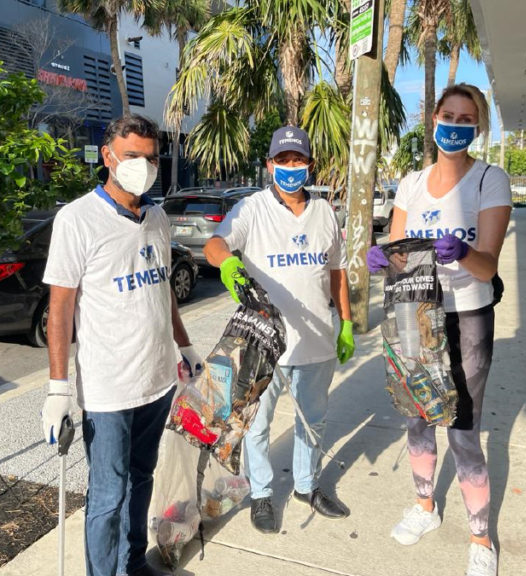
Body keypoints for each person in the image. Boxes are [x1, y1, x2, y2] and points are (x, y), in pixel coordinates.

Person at [41, 114, 202, 576]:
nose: (143, 166)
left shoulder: (155, 216)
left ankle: (132, 564)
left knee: (142, 479)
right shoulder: (77, 219)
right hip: (109, 390)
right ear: (108, 156)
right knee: (108, 495)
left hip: (156, 381)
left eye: (151, 158)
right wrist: (57, 390)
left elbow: (162, 286)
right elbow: (61, 309)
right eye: (132, 157)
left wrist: (184, 345)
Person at [366, 82, 511, 576]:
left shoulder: (490, 180)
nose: (455, 125)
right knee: (417, 415)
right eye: (447, 116)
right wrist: (381, 258)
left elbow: (488, 267)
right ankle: (425, 507)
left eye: (466, 120)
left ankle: (479, 536)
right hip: (416, 311)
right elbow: (399, 252)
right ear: (433, 119)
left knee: (464, 431)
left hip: (468, 314)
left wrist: (464, 253)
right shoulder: (411, 182)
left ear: (478, 127)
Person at [203, 125, 355, 533]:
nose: (291, 168)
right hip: (264, 342)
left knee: (313, 419)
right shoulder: (251, 209)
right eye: (283, 160)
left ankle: (307, 485)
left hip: (317, 340)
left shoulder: (325, 212)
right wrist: (228, 262)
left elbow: (337, 272)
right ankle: (262, 494)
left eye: (298, 160)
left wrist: (346, 323)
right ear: (270, 165)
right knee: (257, 423)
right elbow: (214, 246)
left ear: (309, 165)